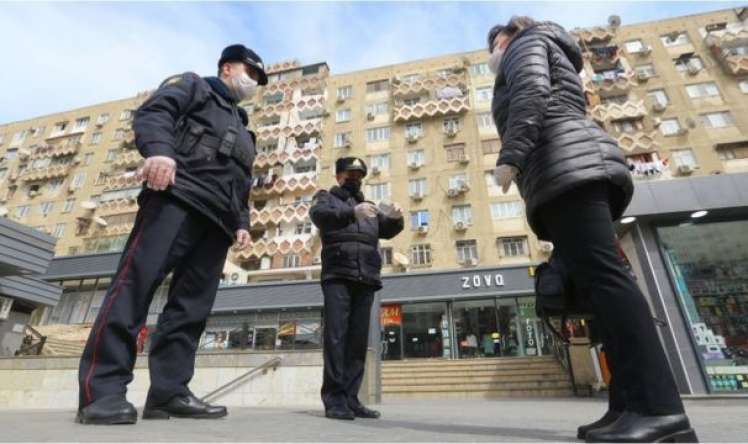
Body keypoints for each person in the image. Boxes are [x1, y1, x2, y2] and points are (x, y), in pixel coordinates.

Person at [486, 17, 697, 443]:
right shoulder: (546, 47)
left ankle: (659, 410)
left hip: (568, 168)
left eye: (494, 42)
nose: (492, 52)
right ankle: (628, 404)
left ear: (509, 36)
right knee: (600, 291)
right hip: (567, 168)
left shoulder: (526, 43)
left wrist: (511, 155)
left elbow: (532, 93)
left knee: (608, 283)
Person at [76, 44, 267, 425]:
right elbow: (154, 113)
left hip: (218, 222)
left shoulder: (244, 127)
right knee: (134, 290)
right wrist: (160, 151)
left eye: (259, 80)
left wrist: (242, 223)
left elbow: (242, 181)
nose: (254, 82)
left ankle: (169, 394)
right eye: (251, 72)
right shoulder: (194, 86)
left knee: (190, 310)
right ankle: (103, 393)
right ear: (227, 68)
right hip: (176, 199)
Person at [310, 157, 404, 420]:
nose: (355, 179)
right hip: (338, 275)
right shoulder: (326, 198)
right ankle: (334, 400)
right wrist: (351, 213)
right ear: (338, 176)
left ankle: (351, 399)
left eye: (359, 175)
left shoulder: (368, 206)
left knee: (357, 342)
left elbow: (385, 229)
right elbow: (320, 217)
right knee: (336, 339)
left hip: (366, 277)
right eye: (350, 174)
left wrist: (396, 218)